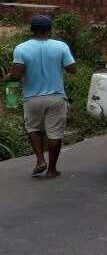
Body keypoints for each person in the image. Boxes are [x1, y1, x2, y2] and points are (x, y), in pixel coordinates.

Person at [7, 15, 76, 178]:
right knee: (55, 133)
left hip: (32, 98)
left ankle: (40, 160)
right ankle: (52, 169)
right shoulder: (61, 46)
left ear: (31, 30)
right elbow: (72, 69)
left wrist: (8, 77)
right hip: (56, 97)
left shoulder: (21, 48)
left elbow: (16, 77)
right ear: (49, 29)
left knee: (33, 128)